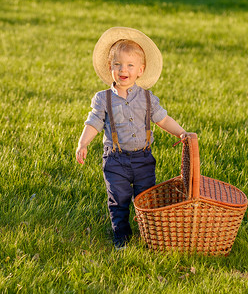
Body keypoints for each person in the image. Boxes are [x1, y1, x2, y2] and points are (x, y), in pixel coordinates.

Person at [76, 27, 191, 249]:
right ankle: (121, 234)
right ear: (110, 67)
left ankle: (148, 233)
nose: (123, 70)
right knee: (118, 199)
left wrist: (181, 132)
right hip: (116, 160)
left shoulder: (147, 98)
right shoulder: (103, 99)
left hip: (143, 159)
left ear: (140, 70)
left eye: (129, 65)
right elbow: (93, 122)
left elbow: (163, 119)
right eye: (117, 65)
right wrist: (83, 143)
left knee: (146, 198)